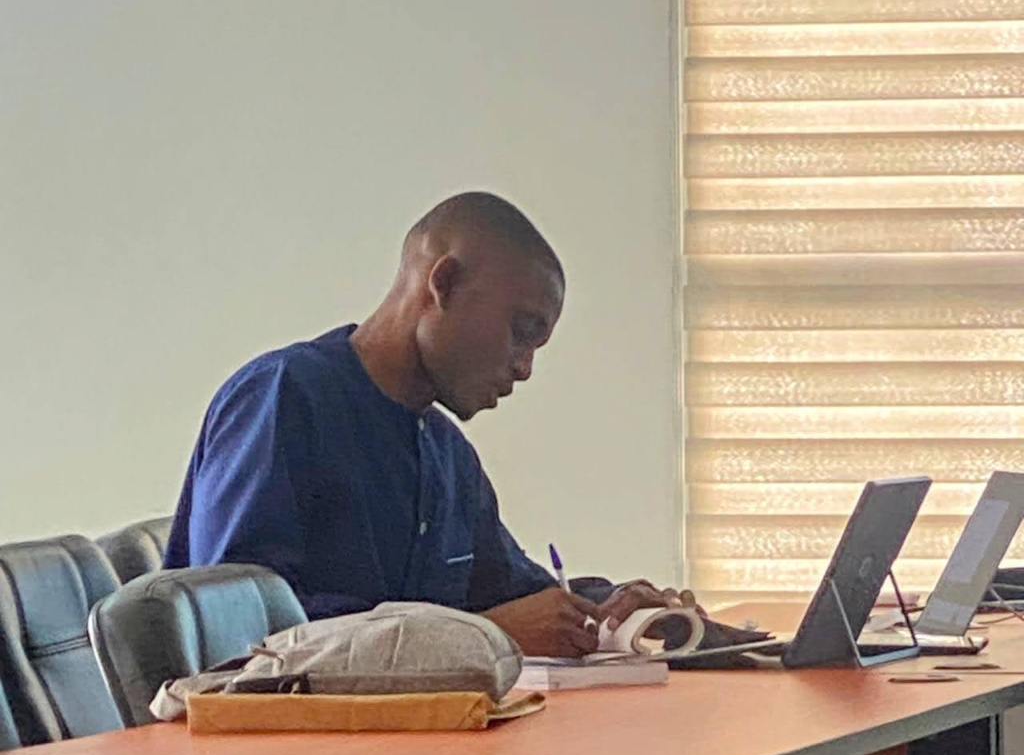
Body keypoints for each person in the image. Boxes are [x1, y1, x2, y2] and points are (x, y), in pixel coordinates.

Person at [165, 192, 682, 656]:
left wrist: (616, 606)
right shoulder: (283, 398)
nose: (525, 368)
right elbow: (240, 635)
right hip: (276, 735)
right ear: (444, 283)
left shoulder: (446, 452)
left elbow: (517, 595)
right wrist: (483, 634)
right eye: (521, 331)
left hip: (417, 730)